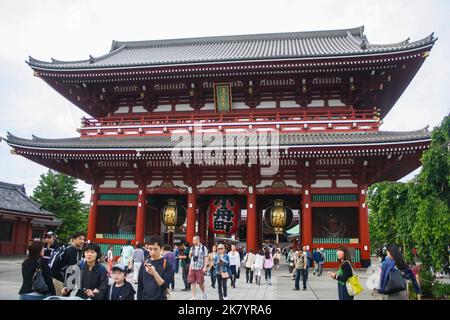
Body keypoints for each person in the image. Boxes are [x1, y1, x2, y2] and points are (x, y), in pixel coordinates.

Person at [137, 236, 172, 300]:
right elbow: (140, 285)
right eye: (150, 249)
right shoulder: (144, 263)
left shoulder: (167, 264)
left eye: (155, 249)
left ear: (161, 248)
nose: (152, 252)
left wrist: (154, 273)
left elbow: (165, 286)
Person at [51, 231, 85, 296]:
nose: (82, 241)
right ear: (74, 239)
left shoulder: (67, 247)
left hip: (56, 278)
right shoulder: (73, 250)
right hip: (62, 281)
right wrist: (69, 285)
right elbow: (71, 268)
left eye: (83, 239)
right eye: (80, 239)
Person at [188, 236, 209, 300]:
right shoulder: (192, 247)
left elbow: (206, 258)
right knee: (192, 282)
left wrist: (205, 267)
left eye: (194, 240)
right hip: (192, 267)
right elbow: (189, 257)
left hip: (199, 267)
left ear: (198, 240)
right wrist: (190, 254)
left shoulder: (203, 248)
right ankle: (193, 296)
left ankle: (204, 293)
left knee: (200, 282)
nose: (192, 241)